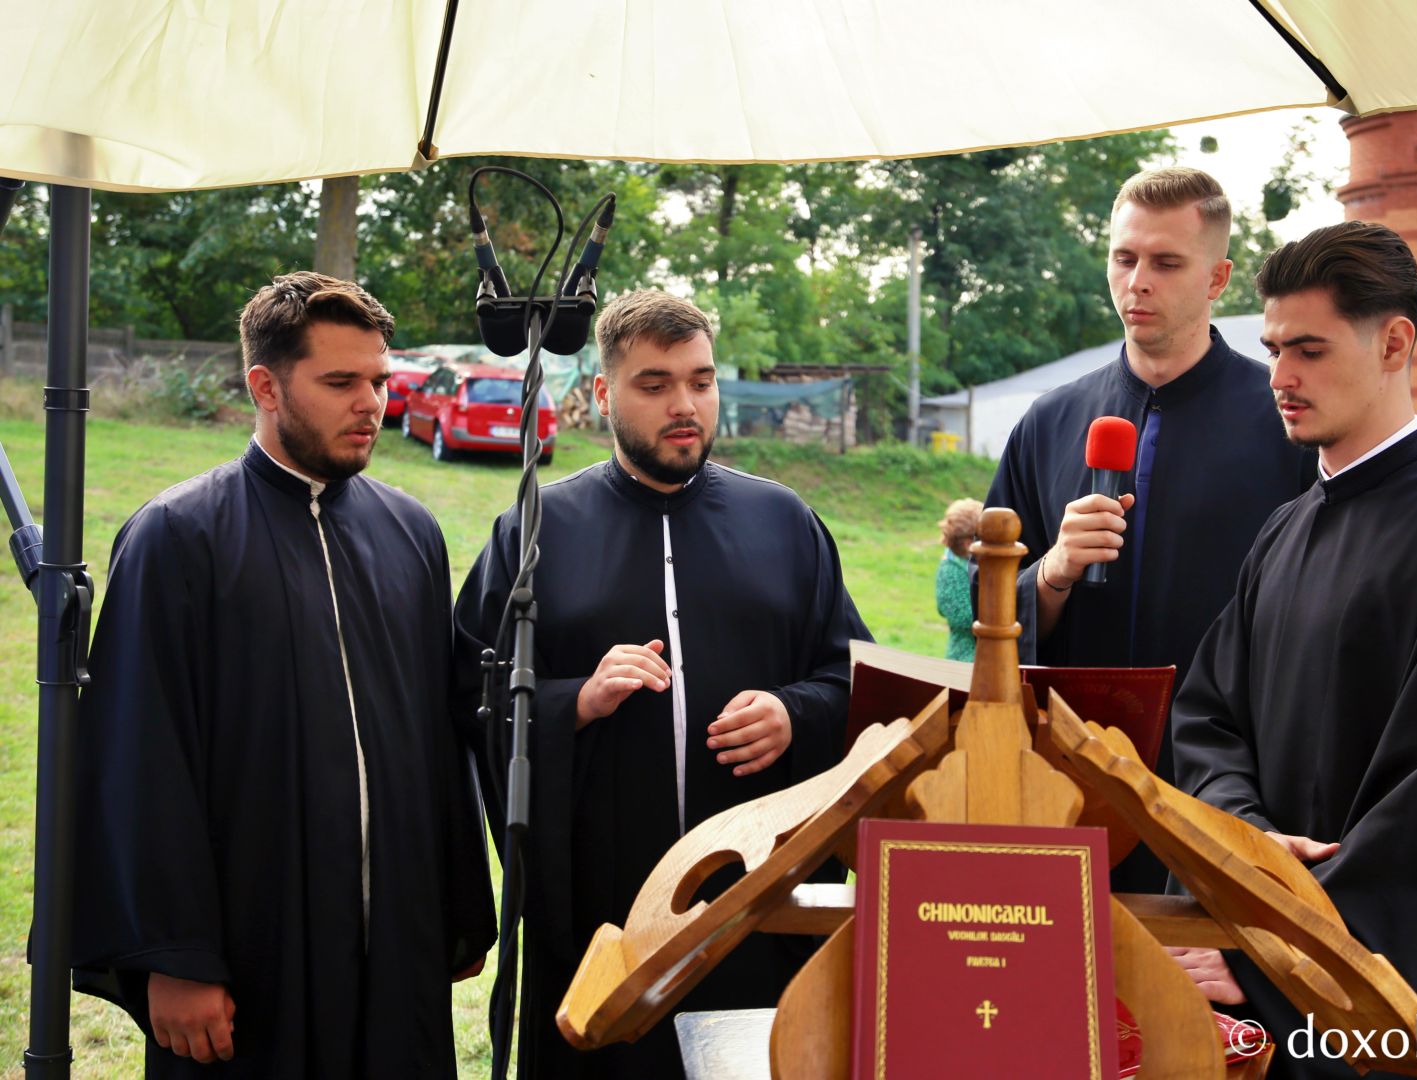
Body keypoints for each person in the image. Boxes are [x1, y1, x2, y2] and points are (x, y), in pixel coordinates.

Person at [69, 272, 497, 1077]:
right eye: (340, 383)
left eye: (379, 380)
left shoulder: (412, 532)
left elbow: (436, 742)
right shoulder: (176, 537)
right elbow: (140, 759)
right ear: (265, 386)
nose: (371, 403)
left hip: (397, 937)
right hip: (252, 949)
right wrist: (176, 957)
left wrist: (457, 908)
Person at [1171, 222, 1417, 1077]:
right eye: (1273, 350)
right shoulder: (1282, 531)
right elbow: (1208, 717)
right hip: (1264, 951)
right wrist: (1248, 837)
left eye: (1308, 350)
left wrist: (1275, 963)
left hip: (1387, 1008)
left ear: (1394, 342)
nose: (1280, 378)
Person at [453, 290, 869, 1078]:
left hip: (758, 906)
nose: (685, 405)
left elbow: (858, 682)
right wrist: (575, 701)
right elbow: (469, 694)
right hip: (598, 912)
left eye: (701, 381)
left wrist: (795, 712)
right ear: (604, 393)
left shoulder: (785, 523)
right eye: (655, 384)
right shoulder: (537, 529)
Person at [982, 167, 1317, 890]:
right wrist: (1053, 572)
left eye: (1166, 263)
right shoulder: (1049, 422)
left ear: (1218, 278)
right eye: (1124, 258)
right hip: (1068, 777)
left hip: (1228, 780)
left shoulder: (1284, 425)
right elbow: (987, 613)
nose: (1137, 282)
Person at [936, 497, 982, 660]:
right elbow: (964, 617)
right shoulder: (950, 571)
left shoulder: (978, 562)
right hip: (966, 658)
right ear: (968, 543)